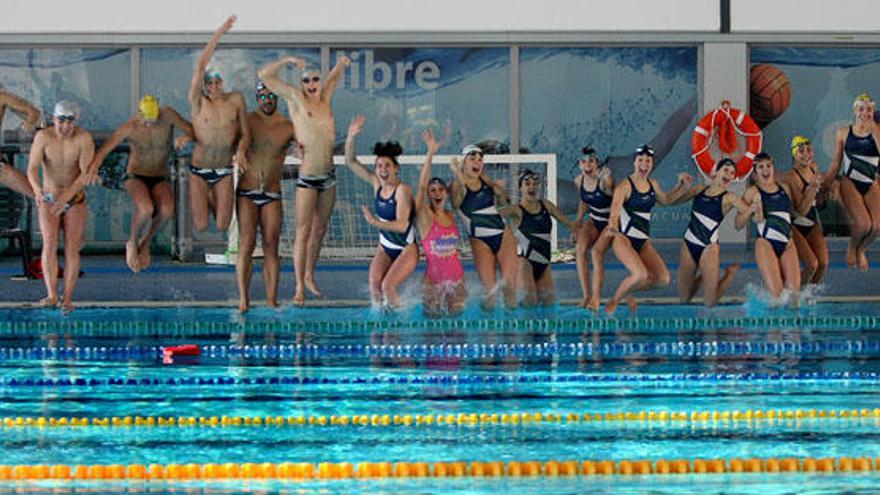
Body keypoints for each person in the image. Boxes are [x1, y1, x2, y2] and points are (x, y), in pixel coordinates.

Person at [258, 52, 351, 305]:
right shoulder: (297, 99)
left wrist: (341, 64)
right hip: (308, 177)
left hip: (329, 176)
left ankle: (310, 275)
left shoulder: (326, 98)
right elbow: (264, 76)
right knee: (303, 231)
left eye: (315, 80)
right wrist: (287, 60)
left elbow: (332, 79)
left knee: (320, 230)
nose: (311, 85)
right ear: (301, 85)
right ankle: (299, 287)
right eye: (307, 81)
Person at [90, 95, 194, 272]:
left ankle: (145, 242)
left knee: (168, 210)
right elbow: (105, 150)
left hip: (160, 175)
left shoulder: (168, 115)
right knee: (146, 209)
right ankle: (132, 242)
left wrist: (186, 137)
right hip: (136, 176)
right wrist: (92, 169)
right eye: (146, 121)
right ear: (139, 115)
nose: (149, 125)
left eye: (153, 120)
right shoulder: (130, 127)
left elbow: (191, 130)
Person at [604, 144, 692, 314]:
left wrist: (681, 186)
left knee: (663, 279)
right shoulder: (624, 186)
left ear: (652, 164)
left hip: (643, 242)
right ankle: (613, 302)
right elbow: (614, 215)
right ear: (634, 163)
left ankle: (628, 290)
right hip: (623, 239)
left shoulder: (653, 184)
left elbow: (666, 200)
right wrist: (612, 228)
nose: (644, 164)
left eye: (648, 161)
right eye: (641, 160)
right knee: (640, 275)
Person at [26, 101, 95, 312]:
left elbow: (85, 174)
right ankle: (52, 295)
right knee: (49, 244)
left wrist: (67, 197)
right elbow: (32, 168)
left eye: (70, 122)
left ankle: (67, 299)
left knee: (72, 250)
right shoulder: (43, 137)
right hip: (49, 197)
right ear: (53, 119)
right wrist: (37, 191)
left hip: (74, 199)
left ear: (76, 121)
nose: (65, 127)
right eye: (61, 121)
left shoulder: (84, 138)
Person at [344, 115, 418, 308]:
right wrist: (351, 136)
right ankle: (381, 329)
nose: (383, 170)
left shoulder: (402, 190)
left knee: (388, 287)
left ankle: (400, 326)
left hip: (406, 249)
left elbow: (402, 226)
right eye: (379, 166)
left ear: (396, 169)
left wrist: (374, 222)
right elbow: (350, 162)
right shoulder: (377, 184)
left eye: (387, 166)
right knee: (374, 286)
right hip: (385, 246)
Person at [236, 82, 297, 313]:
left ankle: (271, 300)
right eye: (263, 96)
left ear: (277, 98)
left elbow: (307, 144)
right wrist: (239, 151)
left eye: (271, 96)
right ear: (257, 98)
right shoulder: (248, 121)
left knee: (271, 245)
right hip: (247, 191)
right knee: (247, 243)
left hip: (272, 192)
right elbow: (229, 141)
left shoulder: (287, 126)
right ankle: (244, 299)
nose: (267, 100)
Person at [187, 14, 250, 233]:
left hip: (224, 168)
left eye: (216, 82)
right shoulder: (197, 102)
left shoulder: (236, 100)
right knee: (201, 225)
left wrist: (241, 150)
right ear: (204, 85)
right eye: (209, 82)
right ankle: (207, 194)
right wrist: (219, 32)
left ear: (222, 82)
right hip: (199, 169)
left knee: (223, 225)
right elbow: (200, 65)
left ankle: (214, 194)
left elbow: (246, 133)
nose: (212, 86)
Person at [676, 158, 759, 306]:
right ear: (715, 172)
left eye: (732, 173)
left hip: (709, 246)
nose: (729, 174)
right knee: (684, 299)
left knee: (710, 302)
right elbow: (673, 201)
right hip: (689, 243)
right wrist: (680, 184)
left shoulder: (730, 198)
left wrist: (754, 206)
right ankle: (704, 276)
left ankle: (728, 274)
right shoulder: (700, 189)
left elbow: (749, 215)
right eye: (726, 170)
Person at [449, 145, 518, 309]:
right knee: (490, 292)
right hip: (480, 241)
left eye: (480, 160)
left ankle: (513, 331)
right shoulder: (456, 185)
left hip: (503, 235)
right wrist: (458, 174)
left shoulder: (487, 182)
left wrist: (499, 190)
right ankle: (488, 333)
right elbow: (455, 202)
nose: (477, 162)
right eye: (472, 159)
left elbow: (505, 203)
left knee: (510, 288)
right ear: (463, 162)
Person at [413, 128, 466, 317]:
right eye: (432, 190)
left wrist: (457, 170)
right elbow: (420, 186)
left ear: (446, 192)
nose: (436, 192)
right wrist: (431, 153)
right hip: (433, 280)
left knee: (458, 330)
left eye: (440, 189)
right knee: (431, 328)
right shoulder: (425, 217)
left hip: (457, 278)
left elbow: (461, 187)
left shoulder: (451, 215)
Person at [825, 93, 880, 271]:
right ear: (855, 111)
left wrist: (874, 130)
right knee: (864, 224)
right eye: (862, 109)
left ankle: (861, 249)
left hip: (870, 183)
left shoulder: (877, 132)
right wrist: (825, 186)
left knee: (877, 226)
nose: (866, 113)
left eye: (869, 110)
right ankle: (852, 246)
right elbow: (835, 164)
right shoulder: (843, 133)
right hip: (850, 182)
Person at [508, 169, 578, 306]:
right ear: (520, 188)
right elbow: (494, 214)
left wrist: (577, 230)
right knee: (530, 301)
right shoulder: (516, 210)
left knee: (549, 304)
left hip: (544, 264)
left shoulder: (546, 205)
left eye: (535, 183)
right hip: (525, 263)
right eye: (527, 183)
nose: (531, 187)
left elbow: (570, 223)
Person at [737, 152, 800, 302]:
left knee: (793, 298)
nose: (766, 170)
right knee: (777, 296)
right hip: (766, 243)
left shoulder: (785, 188)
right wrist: (751, 210)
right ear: (755, 174)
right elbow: (738, 223)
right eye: (761, 167)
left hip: (788, 243)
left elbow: (791, 214)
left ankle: (790, 325)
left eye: (768, 166)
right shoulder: (752, 192)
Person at [782, 135, 829, 285]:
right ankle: (795, 293)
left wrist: (824, 192)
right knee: (811, 264)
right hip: (794, 225)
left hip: (811, 222)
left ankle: (808, 294)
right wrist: (812, 188)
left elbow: (817, 198)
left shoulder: (814, 167)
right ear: (794, 154)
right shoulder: (791, 177)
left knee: (823, 264)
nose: (806, 154)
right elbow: (801, 210)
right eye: (801, 151)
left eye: (809, 150)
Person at [572, 146, 615, 310]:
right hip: (594, 220)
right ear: (579, 165)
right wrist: (577, 224)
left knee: (596, 252)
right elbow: (583, 201)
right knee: (580, 248)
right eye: (583, 162)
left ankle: (596, 298)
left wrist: (607, 179)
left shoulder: (605, 180)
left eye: (591, 161)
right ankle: (586, 296)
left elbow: (612, 190)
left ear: (597, 163)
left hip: (611, 222)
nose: (587, 165)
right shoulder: (578, 181)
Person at [0, 90, 42, 197]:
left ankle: (59, 210)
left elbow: (33, 112)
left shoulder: (2, 97)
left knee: (39, 196)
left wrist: (27, 125)